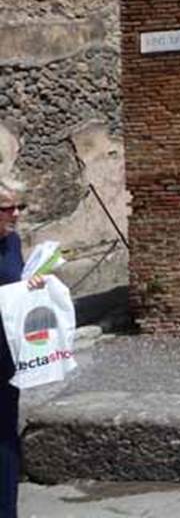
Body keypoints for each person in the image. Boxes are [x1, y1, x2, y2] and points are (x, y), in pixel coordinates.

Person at [0, 179, 44, 518]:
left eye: (18, 207)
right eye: (6, 208)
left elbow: (17, 285)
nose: (15, 214)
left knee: (6, 437)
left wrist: (34, 283)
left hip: (7, 356)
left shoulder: (13, 242)